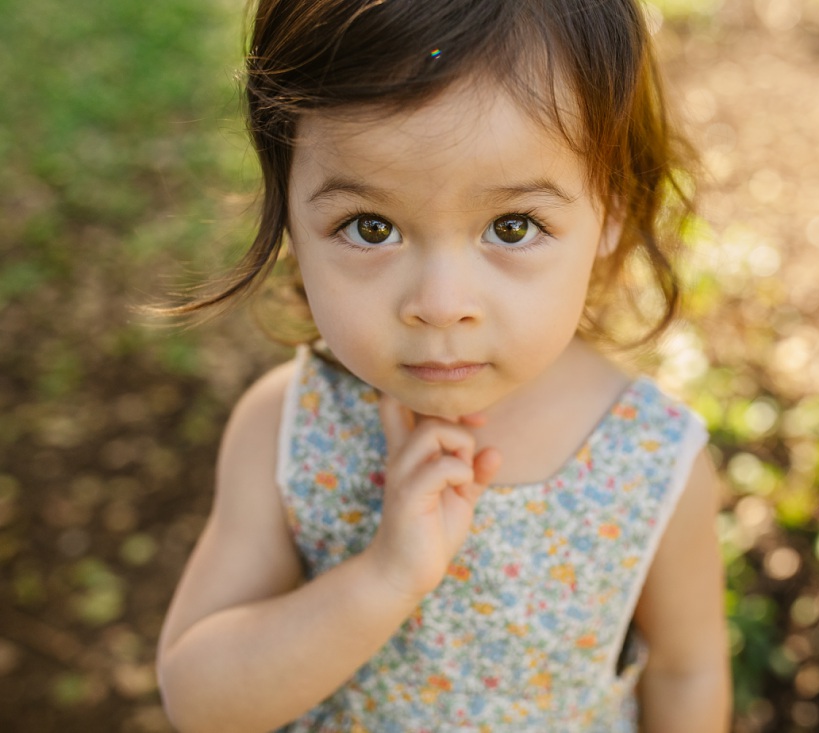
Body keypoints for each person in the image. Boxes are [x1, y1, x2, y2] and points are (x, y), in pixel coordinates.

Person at [155, 0, 731, 730]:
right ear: (291, 221)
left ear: (610, 208)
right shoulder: (288, 430)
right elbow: (200, 700)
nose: (440, 303)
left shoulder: (650, 461)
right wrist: (384, 577)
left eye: (511, 226)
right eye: (371, 227)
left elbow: (688, 671)